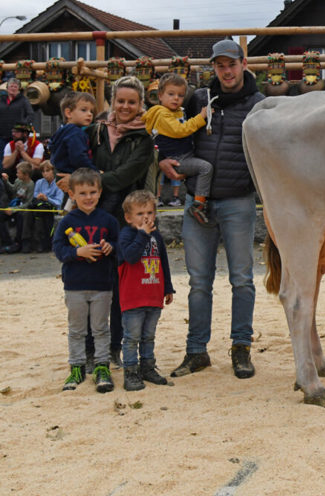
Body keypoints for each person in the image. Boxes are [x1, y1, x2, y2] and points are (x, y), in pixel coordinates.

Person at [162, 39, 264, 380]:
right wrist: (161, 159)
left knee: (242, 280)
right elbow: (168, 132)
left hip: (238, 200)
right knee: (199, 282)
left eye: (231, 64)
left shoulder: (259, 104)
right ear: (214, 68)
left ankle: (241, 349)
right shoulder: (197, 99)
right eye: (220, 65)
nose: (227, 71)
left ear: (243, 63)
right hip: (197, 201)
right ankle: (196, 352)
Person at [79, 76, 155, 368]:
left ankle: (113, 347)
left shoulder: (143, 138)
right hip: (92, 218)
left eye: (132, 102)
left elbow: (126, 174)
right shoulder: (95, 130)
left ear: (140, 105)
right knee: (91, 285)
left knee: (119, 289)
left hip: (124, 220)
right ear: (112, 101)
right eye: (121, 101)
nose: (125, 106)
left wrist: (91, 179)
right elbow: (78, 161)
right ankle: (89, 348)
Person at [52, 168, 120, 393]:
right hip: (75, 286)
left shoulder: (108, 220)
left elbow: (120, 244)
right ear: (72, 194)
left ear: (100, 192)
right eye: (82, 193)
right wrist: (77, 253)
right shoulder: (67, 221)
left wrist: (111, 248)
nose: (88, 197)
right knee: (77, 329)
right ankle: (77, 366)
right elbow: (58, 248)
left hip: (102, 284)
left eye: (92, 192)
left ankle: (102, 366)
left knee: (101, 328)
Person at [117, 190, 175, 391]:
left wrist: (167, 287)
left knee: (149, 335)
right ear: (128, 217)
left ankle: (148, 367)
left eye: (149, 213)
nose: (146, 218)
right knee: (132, 337)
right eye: (140, 214)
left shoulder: (156, 235)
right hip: (133, 297)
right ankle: (131, 372)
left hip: (153, 293)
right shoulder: (126, 235)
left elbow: (163, 262)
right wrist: (142, 234)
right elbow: (131, 256)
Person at [143, 73, 212, 225]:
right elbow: (180, 130)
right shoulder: (162, 115)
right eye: (171, 94)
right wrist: (201, 117)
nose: (176, 98)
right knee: (205, 168)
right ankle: (199, 204)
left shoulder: (175, 111)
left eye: (180, 95)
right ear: (160, 96)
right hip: (178, 159)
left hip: (185, 154)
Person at [49, 92, 98, 177]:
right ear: (68, 113)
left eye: (91, 111)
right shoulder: (75, 133)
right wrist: (94, 172)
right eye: (84, 110)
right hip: (74, 176)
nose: (89, 114)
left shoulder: (62, 131)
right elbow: (79, 157)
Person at [21, 160, 63, 253]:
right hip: (39, 206)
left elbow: (59, 202)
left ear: (53, 171)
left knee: (40, 214)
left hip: (51, 209)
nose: (45, 174)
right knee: (27, 213)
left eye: (47, 171)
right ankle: (26, 242)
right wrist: (40, 197)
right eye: (43, 171)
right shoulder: (39, 182)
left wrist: (47, 198)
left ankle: (40, 242)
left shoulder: (59, 183)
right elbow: (35, 196)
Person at [2, 162, 37, 253]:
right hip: (15, 204)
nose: (16, 174)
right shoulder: (18, 181)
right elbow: (13, 189)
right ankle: (7, 241)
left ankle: (21, 242)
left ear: (26, 175)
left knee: (22, 216)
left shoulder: (30, 185)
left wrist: (14, 210)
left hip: (23, 208)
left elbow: (28, 202)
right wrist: (6, 181)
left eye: (18, 173)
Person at [0, 78, 33, 166]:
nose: (13, 88)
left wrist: (22, 126)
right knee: (2, 159)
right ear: (7, 88)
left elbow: (30, 114)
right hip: (2, 135)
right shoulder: (1, 99)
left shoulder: (23, 100)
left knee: (15, 159)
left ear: (19, 89)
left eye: (15, 86)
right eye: (11, 86)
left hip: (16, 137)